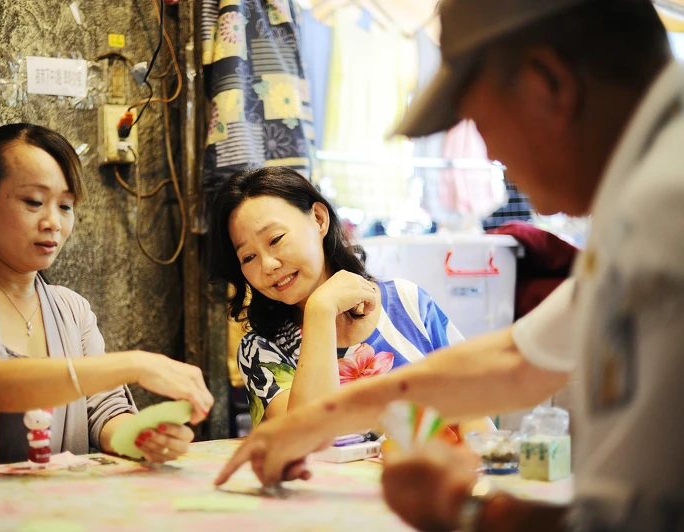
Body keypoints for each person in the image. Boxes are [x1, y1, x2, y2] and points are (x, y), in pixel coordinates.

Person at [216, 0, 684, 529]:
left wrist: (464, 512)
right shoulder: (642, 201)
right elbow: (517, 359)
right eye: (248, 255)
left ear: (547, 86)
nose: (488, 154)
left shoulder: (664, 206)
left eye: (479, 120)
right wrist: (321, 421)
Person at [0, 123, 214, 478]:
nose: (53, 222)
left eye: (66, 206)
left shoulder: (73, 310)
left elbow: (103, 409)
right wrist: (135, 364)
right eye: (33, 202)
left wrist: (143, 437)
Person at [207, 166, 492, 436]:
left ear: (319, 219)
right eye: (248, 257)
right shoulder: (259, 350)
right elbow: (309, 438)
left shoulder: (408, 302)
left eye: (276, 238)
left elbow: (475, 416)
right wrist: (321, 310)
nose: (267, 265)